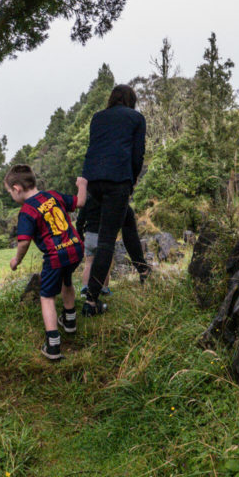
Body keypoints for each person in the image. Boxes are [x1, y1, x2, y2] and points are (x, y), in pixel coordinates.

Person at [5, 164, 88, 360]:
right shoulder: (53, 195)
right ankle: (69, 321)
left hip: (56, 255)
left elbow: (24, 242)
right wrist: (82, 184)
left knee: (47, 296)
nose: (11, 195)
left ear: (17, 188)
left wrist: (16, 260)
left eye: (10, 191)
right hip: (76, 247)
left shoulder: (27, 210)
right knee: (67, 280)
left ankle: (53, 346)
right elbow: (81, 201)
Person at [80, 84, 150, 315]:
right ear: (131, 100)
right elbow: (137, 153)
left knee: (127, 219)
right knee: (107, 240)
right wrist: (132, 180)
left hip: (94, 181)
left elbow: (95, 148)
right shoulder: (136, 118)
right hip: (117, 180)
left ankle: (143, 271)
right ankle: (91, 301)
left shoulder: (97, 118)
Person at [76, 196, 148, 297]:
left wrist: (80, 234)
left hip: (90, 235)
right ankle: (104, 289)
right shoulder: (110, 199)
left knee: (89, 263)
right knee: (106, 264)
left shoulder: (89, 199)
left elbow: (80, 218)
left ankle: (85, 289)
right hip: (104, 235)